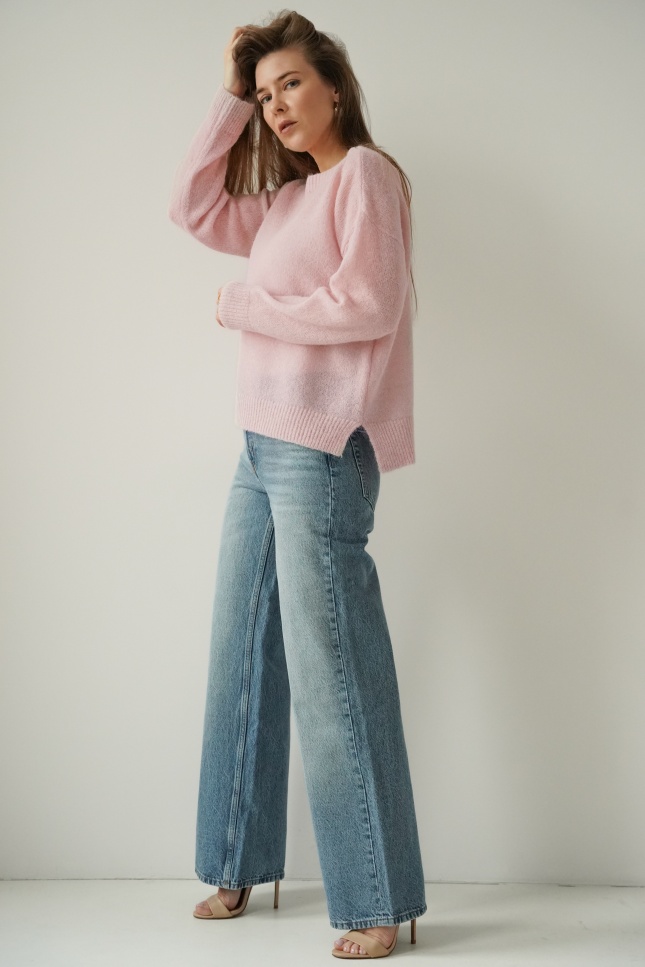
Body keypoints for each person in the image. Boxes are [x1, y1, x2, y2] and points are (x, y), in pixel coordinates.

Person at [168, 10, 427, 959]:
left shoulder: (364, 177)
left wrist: (245, 305)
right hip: (259, 443)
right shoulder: (285, 199)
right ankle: (236, 858)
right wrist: (228, 96)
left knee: (333, 675)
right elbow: (192, 208)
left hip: (321, 449)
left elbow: (370, 303)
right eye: (264, 92)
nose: (277, 104)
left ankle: (376, 896)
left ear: (333, 88)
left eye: (289, 84)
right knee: (240, 650)